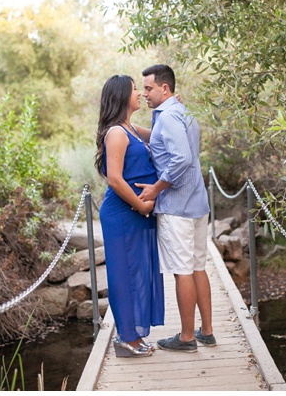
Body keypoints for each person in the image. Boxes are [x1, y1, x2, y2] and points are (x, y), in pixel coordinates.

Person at [135, 64, 216, 353]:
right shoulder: (181, 112)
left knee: (182, 270)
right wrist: (129, 127)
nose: (144, 93)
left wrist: (156, 188)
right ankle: (206, 331)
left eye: (148, 88)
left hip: (176, 207)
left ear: (164, 89)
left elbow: (180, 158)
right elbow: (166, 142)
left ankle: (185, 337)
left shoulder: (168, 117)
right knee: (197, 267)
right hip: (196, 203)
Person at [94, 74, 164, 358]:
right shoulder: (116, 133)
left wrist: (170, 107)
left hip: (137, 212)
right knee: (124, 274)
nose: (140, 94)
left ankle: (133, 335)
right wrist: (141, 205)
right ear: (123, 96)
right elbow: (114, 179)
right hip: (123, 213)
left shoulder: (131, 129)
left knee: (139, 272)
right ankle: (126, 339)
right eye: (136, 90)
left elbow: (161, 134)